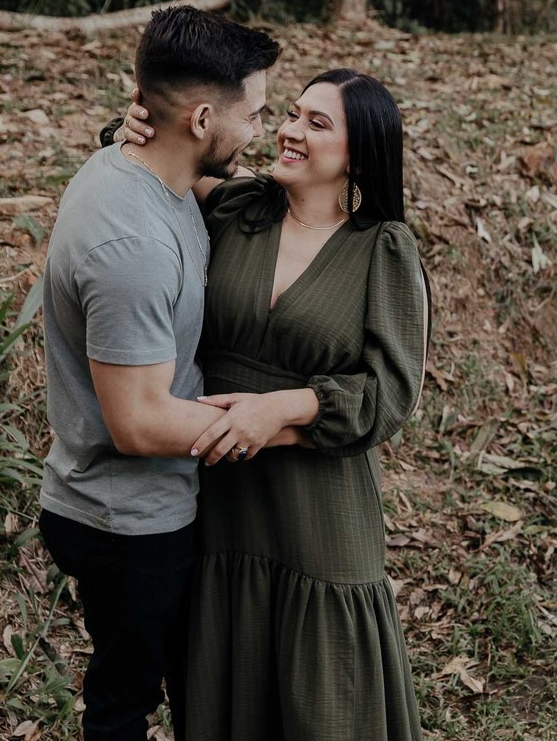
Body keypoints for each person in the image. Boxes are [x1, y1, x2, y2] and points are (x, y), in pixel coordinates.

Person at [120, 68, 430, 740]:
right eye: (292, 114)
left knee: (322, 704)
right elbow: (159, 163)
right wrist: (137, 126)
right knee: (227, 680)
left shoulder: (382, 249)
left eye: (317, 124)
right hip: (221, 501)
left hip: (318, 513)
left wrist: (285, 411)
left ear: (359, 151)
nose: (290, 130)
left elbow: (391, 394)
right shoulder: (240, 208)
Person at [39, 7, 282, 741]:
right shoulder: (132, 244)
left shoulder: (146, 170)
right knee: (126, 705)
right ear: (203, 118)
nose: (263, 132)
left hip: (139, 506)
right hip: (124, 519)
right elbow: (141, 421)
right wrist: (280, 421)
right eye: (257, 114)